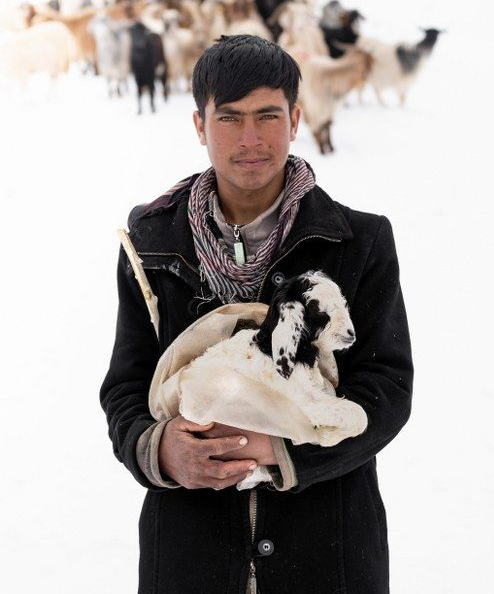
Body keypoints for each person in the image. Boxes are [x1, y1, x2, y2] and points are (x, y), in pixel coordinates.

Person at [100, 34, 413, 594]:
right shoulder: (151, 244)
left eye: (268, 115)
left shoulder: (359, 242)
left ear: (296, 118)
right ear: (200, 126)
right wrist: (161, 450)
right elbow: (126, 386)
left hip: (329, 553)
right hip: (191, 555)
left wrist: (286, 446)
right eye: (230, 118)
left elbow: (386, 388)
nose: (250, 139)